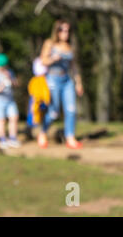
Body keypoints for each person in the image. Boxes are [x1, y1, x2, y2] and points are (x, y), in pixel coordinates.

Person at [39, 19, 84, 149]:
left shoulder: (70, 46)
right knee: (54, 111)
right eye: (63, 30)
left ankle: (70, 137)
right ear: (57, 31)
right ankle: (43, 133)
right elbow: (43, 61)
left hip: (67, 80)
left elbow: (74, 66)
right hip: (53, 79)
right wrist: (53, 58)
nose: (66, 33)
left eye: (68, 30)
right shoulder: (50, 44)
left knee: (71, 110)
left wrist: (78, 82)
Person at [0, 53, 20, 149]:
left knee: (14, 117)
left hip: (10, 100)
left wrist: (10, 78)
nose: (2, 68)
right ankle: (3, 139)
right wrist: (1, 87)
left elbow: (16, 84)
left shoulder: (10, 72)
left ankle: (13, 138)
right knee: (1, 120)